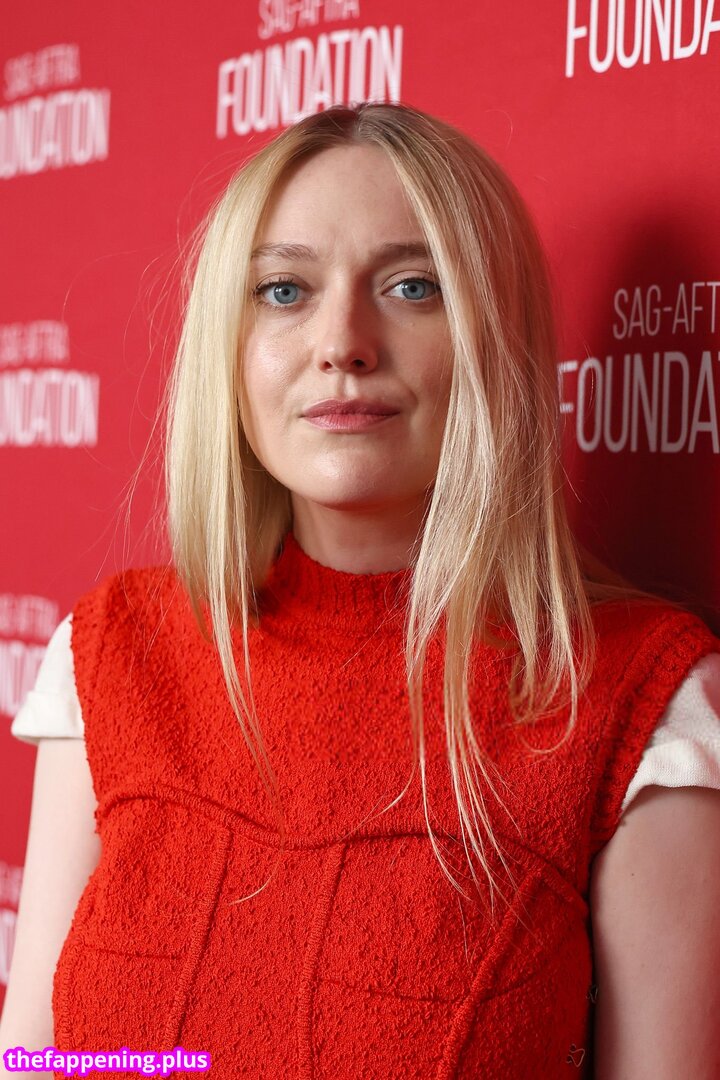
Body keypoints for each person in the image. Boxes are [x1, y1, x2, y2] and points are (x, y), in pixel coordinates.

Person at [2, 101, 720, 1079]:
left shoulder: (643, 700)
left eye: (413, 286)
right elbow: (32, 1059)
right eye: (284, 290)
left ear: (495, 338)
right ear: (227, 344)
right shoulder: (113, 651)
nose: (342, 341)